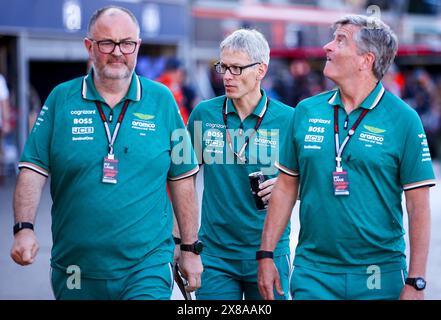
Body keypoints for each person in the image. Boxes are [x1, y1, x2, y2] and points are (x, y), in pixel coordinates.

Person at [10, 6, 202, 300]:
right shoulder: (61, 98)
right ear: (89, 46)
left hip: (146, 267)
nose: (117, 52)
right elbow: (32, 169)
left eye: (126, 43)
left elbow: (182, 179)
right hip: (74, 268)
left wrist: (188, 249)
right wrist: (23, 228)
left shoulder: (162, 100)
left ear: (137, 46)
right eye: (106, 43)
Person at [258, 15, 436, 300]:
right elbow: (285, 187)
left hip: (380, 274)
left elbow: (418, 207)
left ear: (366, 60)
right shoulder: (306, 110)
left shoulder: (404, 120)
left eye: (340, 40)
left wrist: (416, 281)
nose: (327, 46)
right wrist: (266, 255)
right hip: (313, 272)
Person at [187, 29, 293, 300]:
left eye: (236, 68)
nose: (226, 76)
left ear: (261, 70)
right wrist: (183, 244)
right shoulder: (203, 114)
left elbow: (316, 178)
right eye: (223, 66)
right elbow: (181, 180)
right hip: (215, 254)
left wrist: (290, 185)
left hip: (269, 252)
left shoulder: (290, 119)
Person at [156, 57, 190, 124]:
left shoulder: (158, 82)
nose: (181, 75)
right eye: (180, 72)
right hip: (171, 125)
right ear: (175, 71)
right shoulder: (171, 85)